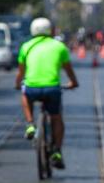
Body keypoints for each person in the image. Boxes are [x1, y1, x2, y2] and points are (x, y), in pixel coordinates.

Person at [15, 17, 79, 169]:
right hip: (52, 89)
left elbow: (21, 72)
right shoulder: (59, 46)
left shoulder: (26, 46)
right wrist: (73, 83)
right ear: (50, 30)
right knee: (57, 118)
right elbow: (68, 70)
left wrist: (18, 84)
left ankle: (30, 124)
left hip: (32, 88)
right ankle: (57, 151)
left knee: (24, 93)